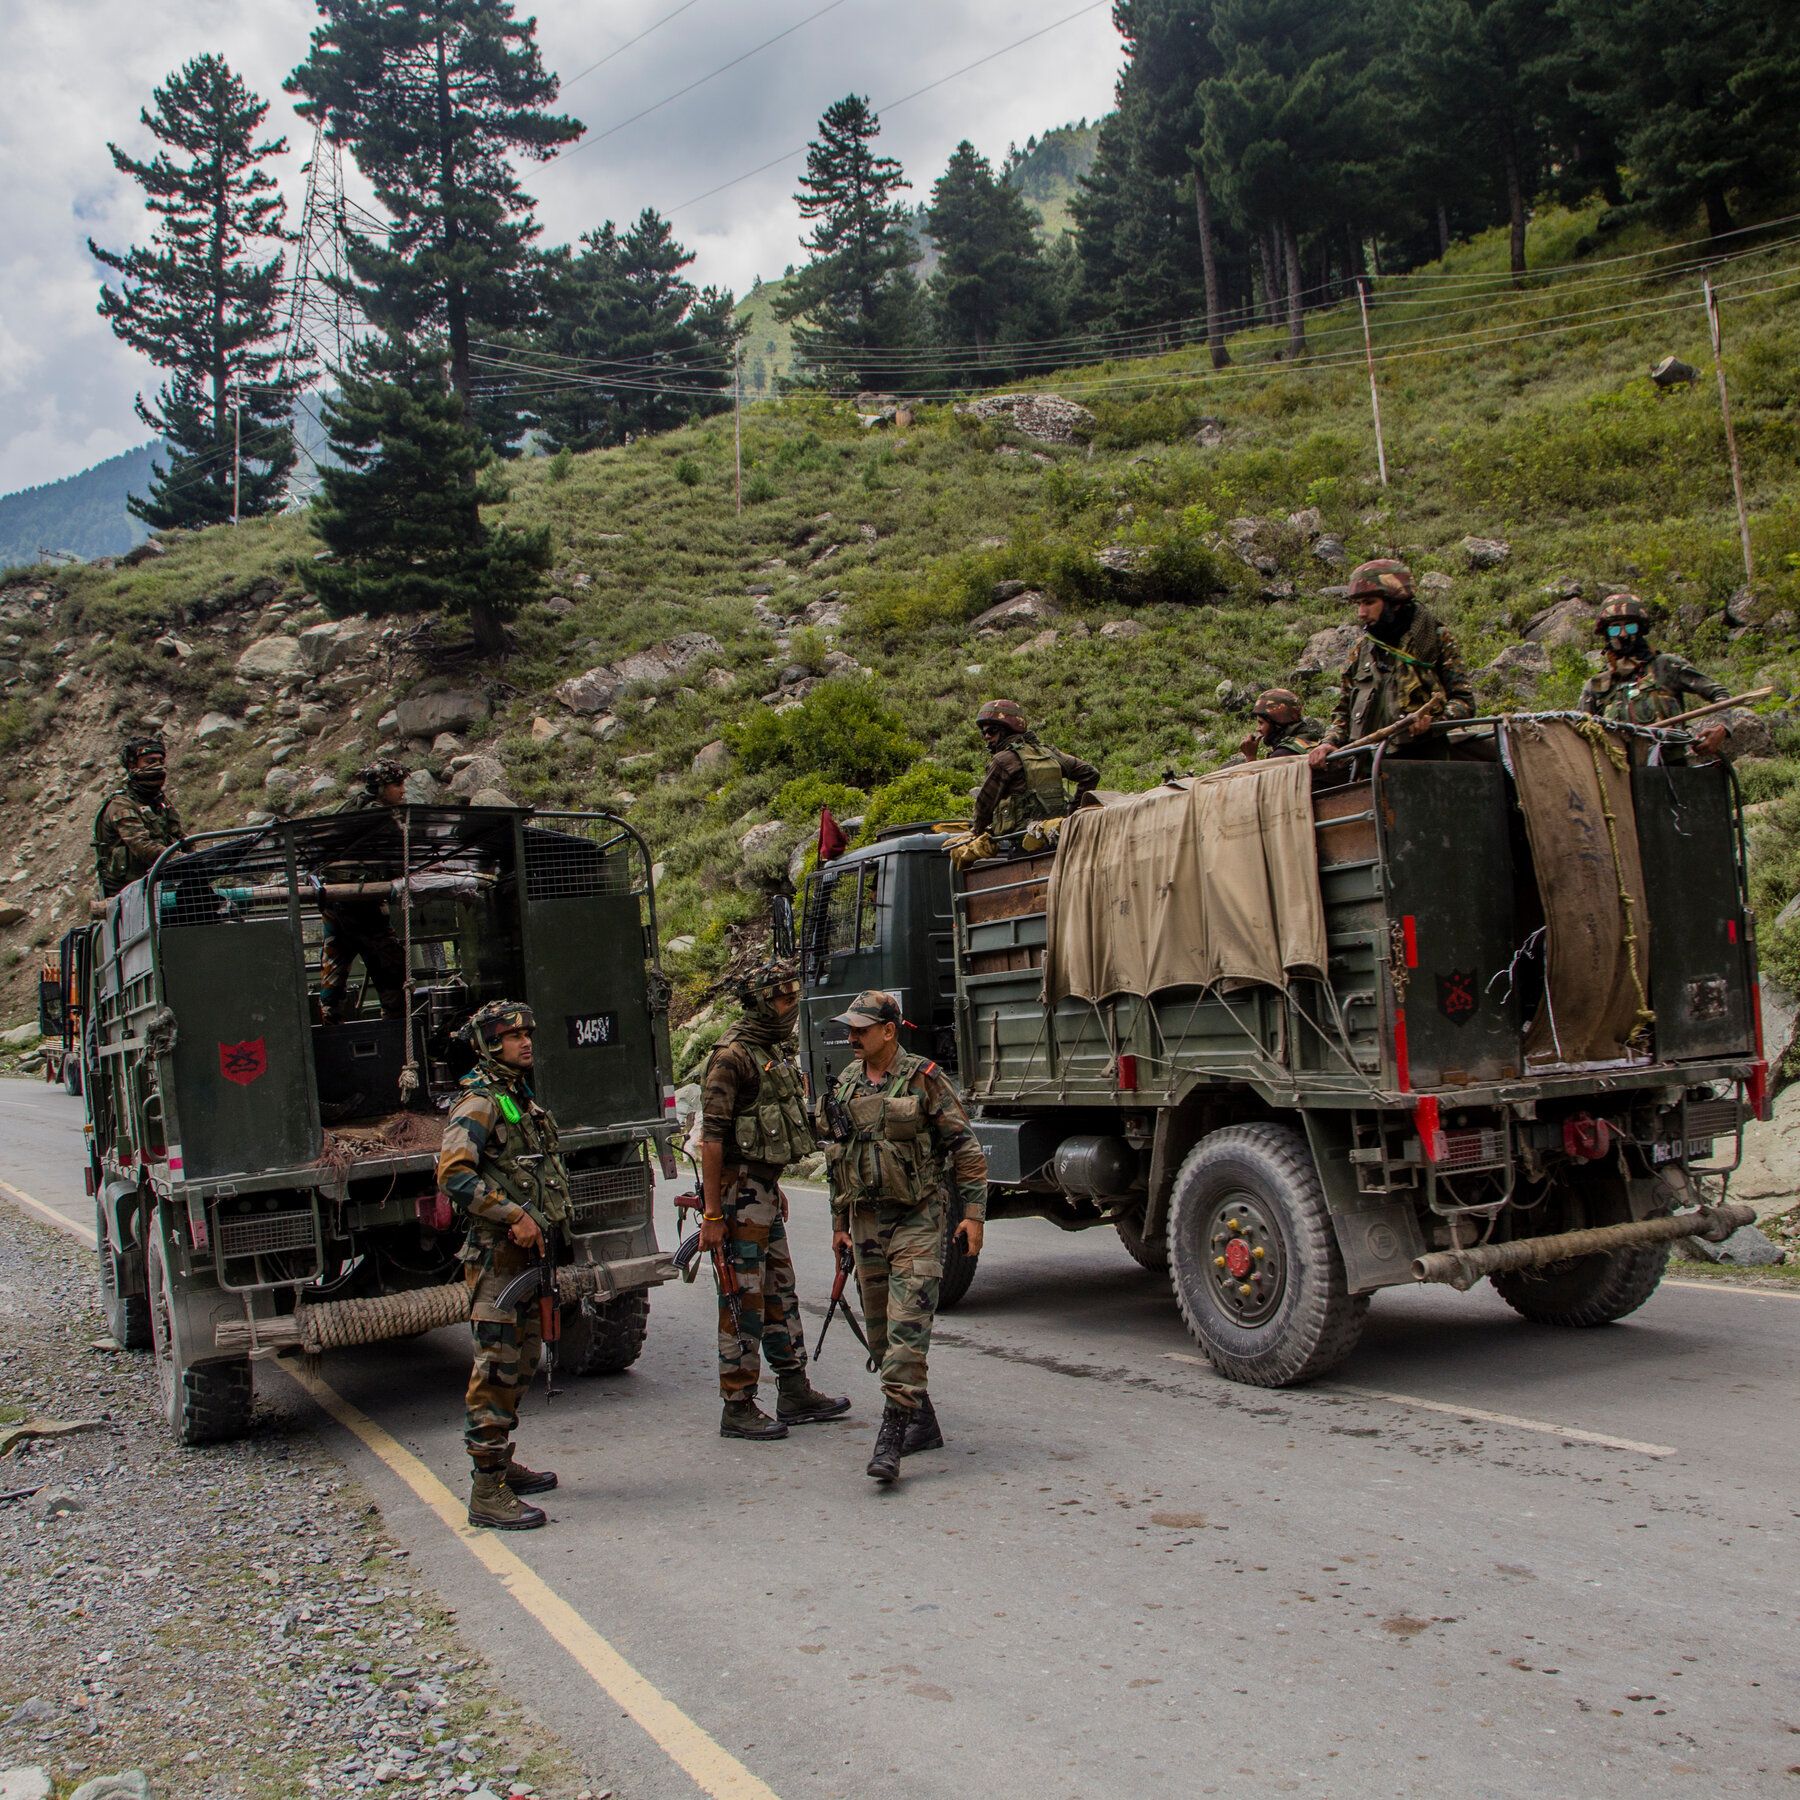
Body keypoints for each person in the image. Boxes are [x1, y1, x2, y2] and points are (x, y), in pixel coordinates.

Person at [824, 990, 988, 1485]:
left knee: (908, 1328)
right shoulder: (848, 1083)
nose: (852, 1037)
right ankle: (922, 1421)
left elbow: (966, 1147)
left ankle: (890, 1438)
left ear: (888, 1031)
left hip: (918, 1218)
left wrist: (974, 1215)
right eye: (850, 1029)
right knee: (881, 1334)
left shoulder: (924, 1078)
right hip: (866, 1222)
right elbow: (838, 1158)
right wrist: (838, 1226)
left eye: (861, 1029)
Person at [697, 959, 850, 1441]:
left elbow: (766, 1130)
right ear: (762, 1001)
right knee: (743, 1299)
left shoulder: (769, 1050)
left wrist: (774, 1183)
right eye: (783, 999)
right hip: (737, 1198)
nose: (791, 1006)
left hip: (761, 1190)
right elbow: (714, 1139)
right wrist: (713, 1213)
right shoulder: (732, 1056)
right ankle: (738, 1404)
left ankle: (793, 1389)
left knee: (780, 1290)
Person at [437, 999, 571, 1531]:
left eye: (528, 1034)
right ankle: (486, 1489)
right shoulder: (478, 1102)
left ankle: (501, 1463)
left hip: (528, 1256)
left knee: (526, 1357)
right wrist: (512, 1213)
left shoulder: (518, 1098)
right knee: (496, 1366)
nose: (526, 1042)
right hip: (497, 1256)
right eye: (514, 1036)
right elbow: (454, 1175)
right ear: (491, 1045)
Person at [1309, 561, 1474, 767]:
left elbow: (1464, 701)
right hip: (1368, 767)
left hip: (1423, 764)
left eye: (1369, 603)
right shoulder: (1362, 650)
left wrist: (1434, 721)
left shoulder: (1434, 639)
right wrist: (1328, 742)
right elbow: (1343, 712)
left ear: (1394, 602)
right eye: (1358, 604)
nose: (1361, 613)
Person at [1578, 593, 1731, 757]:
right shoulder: (1597, 684)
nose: (1623, 634)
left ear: (1641, 628)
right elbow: (1580, 731)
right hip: (1618, 775)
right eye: (1615, 628)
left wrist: (1721, 727)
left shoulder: (1665, 666)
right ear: (1607, 633)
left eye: (1630, 627)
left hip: (1668, 771)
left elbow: (1719, 693)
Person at [318, 762, 409, 1023]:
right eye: (397, 785)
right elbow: (399, 848)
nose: (403, 791)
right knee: (392, 967)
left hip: (336, 901)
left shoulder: (352, 806)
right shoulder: (378, 815)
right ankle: (394, 1025)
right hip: (361, 903)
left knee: (334, 966)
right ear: (380, 787)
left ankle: (331, 1022)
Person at [969, 699, 1099, 840]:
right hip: (1056, 834)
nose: (987, 736)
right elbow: (1090, 774)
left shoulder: (1002, 760)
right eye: (984, 733)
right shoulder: (1047, 752)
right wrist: (1071, 814)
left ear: (1005, 730)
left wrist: (976, 832)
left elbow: (984, 806)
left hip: (1022, 840)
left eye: (992, 731)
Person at [93, 735, 182, 896]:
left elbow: (180, 835)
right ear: (133, 765)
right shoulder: (121, 805)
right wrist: (181, 860)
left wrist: (199, 857)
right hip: (125, 894)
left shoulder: (160, 803)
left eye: (160, 762)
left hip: (156, 885)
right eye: (150, 762)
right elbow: (142, 846)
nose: (157, 767)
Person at [1231, 689, 1326, 764]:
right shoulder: (1315, 738)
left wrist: (1250, 757)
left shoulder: (1284, 754)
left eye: (1261, 723)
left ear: (1277, 723)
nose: (1258, 728)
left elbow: (1262, 786)